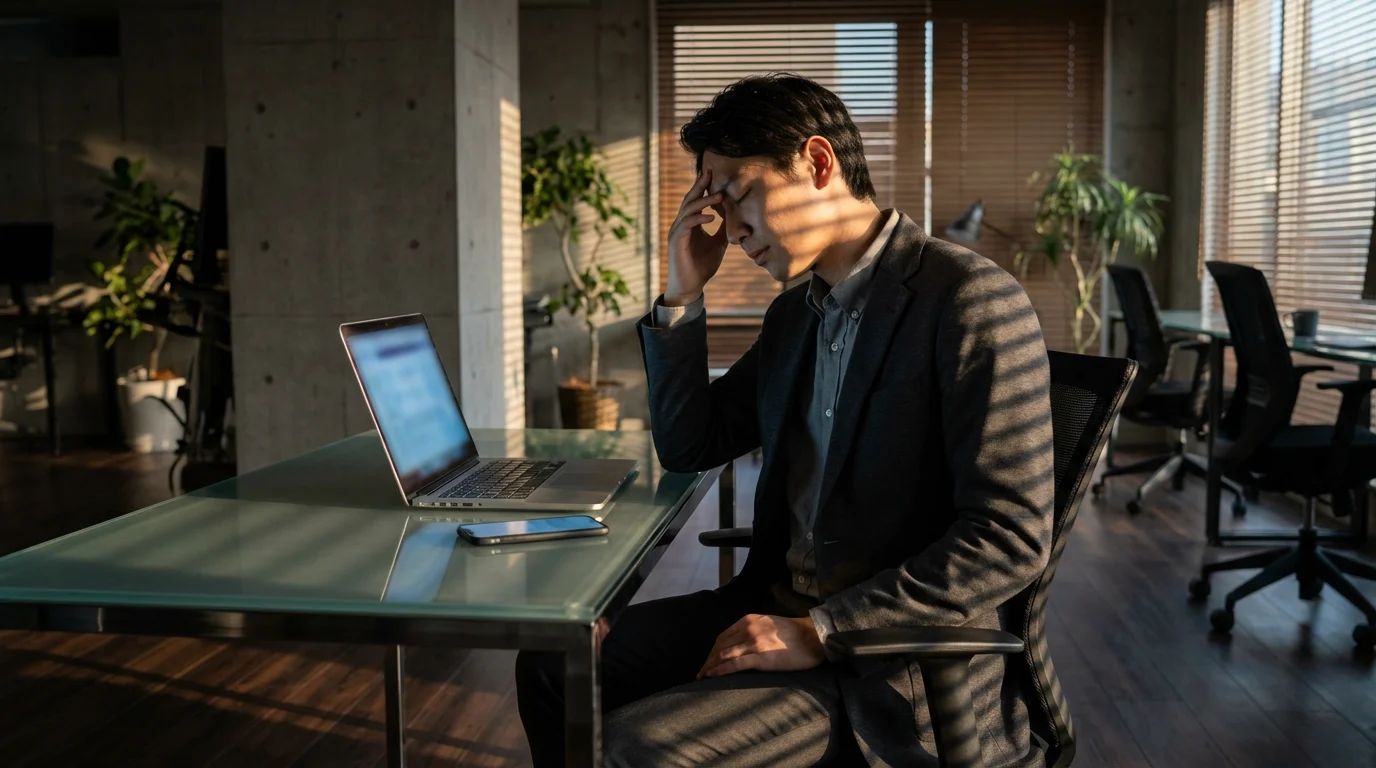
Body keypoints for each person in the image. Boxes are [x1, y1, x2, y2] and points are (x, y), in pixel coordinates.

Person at [516, 73, 1055, 767]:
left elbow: (1008, 536)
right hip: (773, 608)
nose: (730, 230)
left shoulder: (970, 300)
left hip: (892, 664)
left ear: (819, 163)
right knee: (550, 665)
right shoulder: (796, 317)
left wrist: (823, 630)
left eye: (737, 195)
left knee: (635, 751)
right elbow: (691, 445)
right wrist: (681, 293)